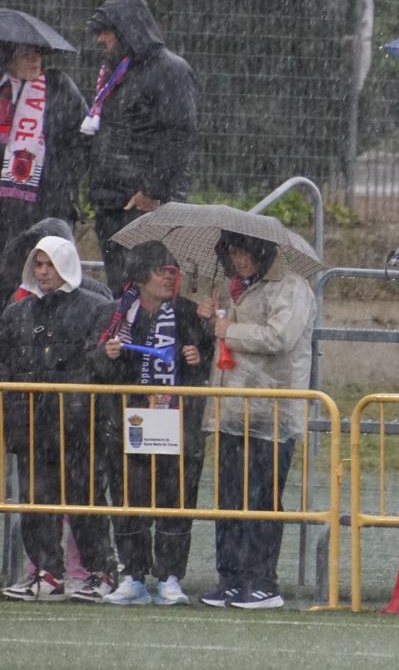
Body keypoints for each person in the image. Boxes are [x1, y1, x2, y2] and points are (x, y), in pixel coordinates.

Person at [91, 242, 213, 606]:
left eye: (172, 272)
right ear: (142, 275)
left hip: (177, 425)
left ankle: (170, 577)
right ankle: (133, 576)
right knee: (130, 500)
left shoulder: (188, 313)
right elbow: (94, 365)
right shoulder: (117, 314)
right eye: (162, 271)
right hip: (129, 424)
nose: (168, 278)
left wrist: (198, 354)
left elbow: (209, 361)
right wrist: (107, 354)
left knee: (174, 501)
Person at [201, 231, 315, 610]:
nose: (238, 259)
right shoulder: (232, 288)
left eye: (244, 251)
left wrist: (229, 330)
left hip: (274, 412)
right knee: (229, 497)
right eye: (232, 251)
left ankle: (263, 581)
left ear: (262, 252)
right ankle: (230, 577)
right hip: (231, 407)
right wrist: (212, 319)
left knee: (263, 498)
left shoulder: (293, 287)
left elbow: (280, 337)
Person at [0, 235, 115, 602]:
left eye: (49, 264)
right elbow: (8, 366)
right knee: (37, 501)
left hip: (78, 424)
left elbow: (93, 366)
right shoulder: (16, 313)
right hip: (31, 423)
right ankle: (47, 572)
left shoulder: (97, 308)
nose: (43, 271)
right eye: (38, 264)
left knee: (85, 500)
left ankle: (101, 572)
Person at [81, 0, 199, 289]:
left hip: (147, 207)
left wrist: (152, 191)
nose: (100, 40)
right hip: (113, 205)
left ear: (126, 30)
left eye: (105, 31)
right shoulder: (119, 72)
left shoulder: (169, 69)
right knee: (122, 295)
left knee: (150, 295)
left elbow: (178, 135)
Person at [0, 41, 89, 261]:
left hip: (49, 199)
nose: (35, 60)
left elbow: (84, 137)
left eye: (38, 54)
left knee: (45, 269)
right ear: (8, 59)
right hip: (5, 205)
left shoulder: (58, 86)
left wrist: (62, 174)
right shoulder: (3, 89)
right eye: (26, 54)